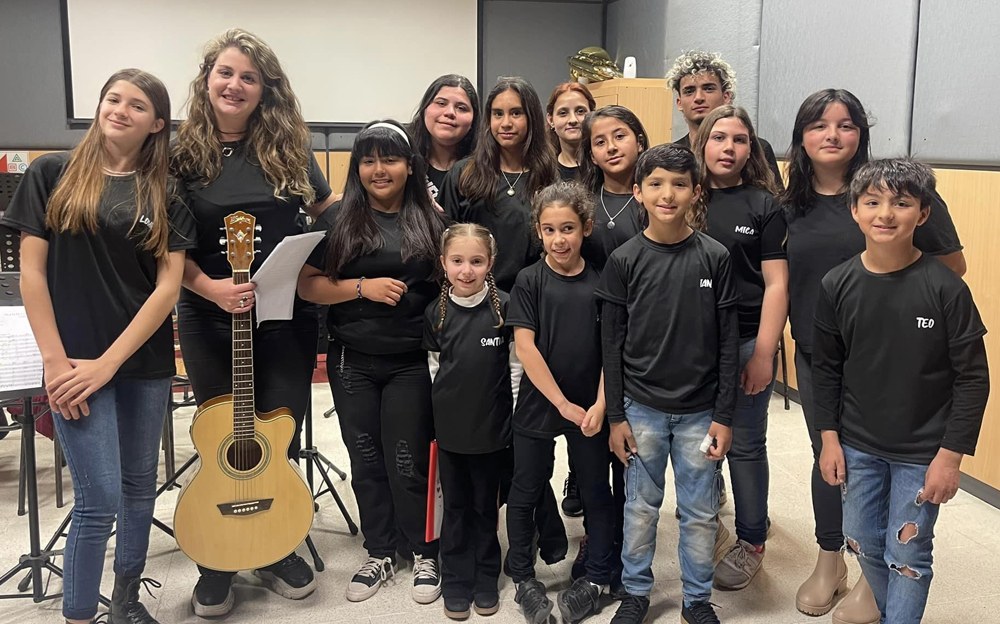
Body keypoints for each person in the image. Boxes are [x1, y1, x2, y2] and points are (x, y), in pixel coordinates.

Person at [3, 68, 194, 624]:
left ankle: (126, 603)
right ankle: (80, 614)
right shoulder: (51, 173)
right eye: (113, 99)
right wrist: (54, 362)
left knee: (138, 489)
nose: (120, 110)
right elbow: (31, 275)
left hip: (141, 363)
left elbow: (167, 288)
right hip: (71, 363)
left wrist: (109, 365)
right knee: (99, 498)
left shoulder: (165, 191)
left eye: (137, 105)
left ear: (156, 124)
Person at [782, 89, 965, 623]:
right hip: (821, 354)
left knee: (886, 464)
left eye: (846, 124)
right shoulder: (789, 203)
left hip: (891, 359)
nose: (832, 135)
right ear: (801, 137)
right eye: (819, 125)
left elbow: (951, 267)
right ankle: (830, 559)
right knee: (832, 457)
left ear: (862, 133)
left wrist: (898, 316)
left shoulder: (897, 192)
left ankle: (873, 576)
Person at [170, 28, 335, 617]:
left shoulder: (290, 149)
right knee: (223, 434)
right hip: (209, 314)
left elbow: (327, 211)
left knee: (277, 431)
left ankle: (273, 544)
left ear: (266, 89)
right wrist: (209, 288)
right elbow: (166, 242)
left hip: (285, 317)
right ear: (207, 80)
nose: (235, 85)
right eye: (225, 73)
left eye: (249, 77)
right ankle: (216, 557)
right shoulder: (180, 155)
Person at [813, 158, 989, 623]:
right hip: (858, 444)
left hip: (923, 451)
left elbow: (974, 377)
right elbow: (826, 370)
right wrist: (829, 438)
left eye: (902, 203)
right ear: (855, 210)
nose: (886, 214)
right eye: (872, 202)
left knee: (908, 552)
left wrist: (950, 457)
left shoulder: (946, 289)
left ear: (923, 213)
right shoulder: (837, 284)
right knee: (860, 540)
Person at [298, 120, 447, 604]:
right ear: (357, 167)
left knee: (409, 460)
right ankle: (380, 549)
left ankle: (424, 549)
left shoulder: (431, 220)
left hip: (410, 361)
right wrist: (363, 288)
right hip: (352, 361)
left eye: (390, 159)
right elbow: (307, 285)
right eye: (368, 160)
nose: (379, 170)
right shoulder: (337, 219)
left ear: (411, 166)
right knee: (365, 460)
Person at [598, 144, 739, 624]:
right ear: (637, 192)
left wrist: (724, 415)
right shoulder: (624, 259)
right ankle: (636, 592)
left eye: (680, 184)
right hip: (641, 408)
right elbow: (611, 344)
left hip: (701, 411)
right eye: (656, 183)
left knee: (700, 513)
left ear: (696, 192)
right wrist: (616, 416)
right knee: (640, 508)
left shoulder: (715, 257)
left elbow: (727, 343)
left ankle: (696, 600)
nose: (668, 194)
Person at [504, 181, 613, 624]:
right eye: (549, 230)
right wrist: (562, 404)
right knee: (525, 488)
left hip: (590, 406)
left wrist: (602, 404)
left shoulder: (601, 281)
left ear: (586, 227)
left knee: (596, 490)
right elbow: (525, 347)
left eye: (567, 228)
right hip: (541, 401)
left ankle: (598, 577)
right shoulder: (529, 280)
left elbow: (611, 349)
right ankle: (523, 578)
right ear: (538, 231)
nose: (558, 239)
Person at [692, 105, 786, 591]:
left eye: (740, 140)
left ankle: (752, 540)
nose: (728, 148)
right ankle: (709, 524)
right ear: (702, 142)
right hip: (693, 347)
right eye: (719, 137)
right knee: (701, 442)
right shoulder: (684, 195)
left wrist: (764, 353)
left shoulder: (764, 204)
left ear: (752, 150)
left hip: (747, 339)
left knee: (746, 445)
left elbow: (776, 284)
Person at [423, 223, 520, 620]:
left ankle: (485, 577)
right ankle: (456, 578)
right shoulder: (435, 313)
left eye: (476, 261)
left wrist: (510, 417)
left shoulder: (505, 309)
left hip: (492, 430)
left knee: (485, 507)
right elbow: (435, 372)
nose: (466, 270)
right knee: (457, 506)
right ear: (443, 263)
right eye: (458, 261)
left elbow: (516, 370)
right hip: (451, 432)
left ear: (490, 263)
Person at [440, 76, 559, 293]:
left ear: (531, 117)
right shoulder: (464, 173)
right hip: (471, 296)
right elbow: (445, 241)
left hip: (528, 296)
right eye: (497, 114)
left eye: (516, 113)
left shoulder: (548, 177)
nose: (505, 123)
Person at [665, 50, 782, 190]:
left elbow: (774, 197)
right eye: (689, 91)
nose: (698, 98)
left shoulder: (760, 149)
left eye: (708, 89)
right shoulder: (672, 155)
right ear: (679, 103)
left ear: (726, 97)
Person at [578, 105, 650, 270]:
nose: (611, 147)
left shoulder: (655, 202)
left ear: (639, 143)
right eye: (600, 142)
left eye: (619, 136)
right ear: (592, 156)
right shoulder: (582, 203)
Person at [408, 74, 480, 201]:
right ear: (425, 109)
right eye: (441, 103)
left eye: (461, 108)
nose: (450, 112)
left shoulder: (486, 168)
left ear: (473, 121)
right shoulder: (402, 159)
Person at [545, 82, 597, 181]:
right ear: (551, 120)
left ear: (592, 115)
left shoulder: (605, 166)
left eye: (580, 111)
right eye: (563, 113)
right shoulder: (543, 171)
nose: (573, 120)